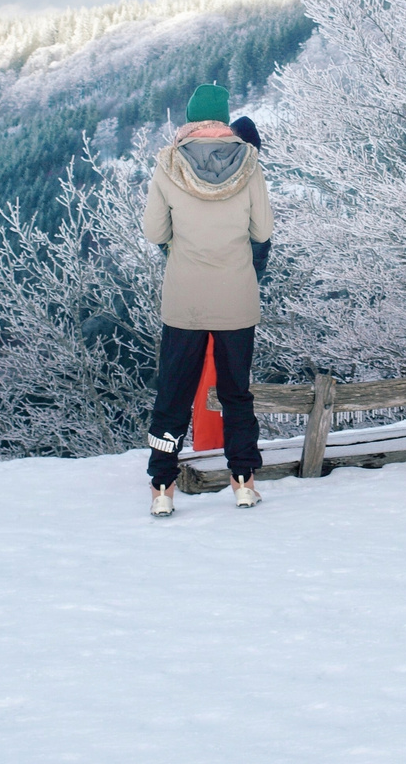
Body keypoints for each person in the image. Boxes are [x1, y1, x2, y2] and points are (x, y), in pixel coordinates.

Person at [142, 85, 272, 516]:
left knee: (173, 395)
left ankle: (162, 486)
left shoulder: (168, 164)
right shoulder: (249, 165)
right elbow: (262, 230)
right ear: (224, 118)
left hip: (185, 299)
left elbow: (154, 232)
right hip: (236, 297)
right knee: (237, 394)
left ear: (190, 119)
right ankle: (243, 482)